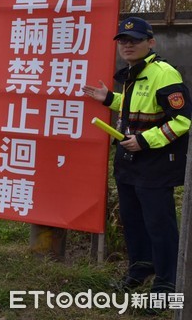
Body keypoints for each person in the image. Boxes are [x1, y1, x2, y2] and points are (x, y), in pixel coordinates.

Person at [83, 17, 191, 295]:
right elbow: (137, 107)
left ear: (151, 42)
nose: (128, 45)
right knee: (134, 221)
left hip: (155, 164)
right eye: (123, 41)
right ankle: (140, 270)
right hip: (129, 163)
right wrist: (109, 98)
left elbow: (182, 120)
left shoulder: (163, 73)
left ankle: (167, 283)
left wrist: (143, 140)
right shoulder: (134, 73)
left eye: (135, 40)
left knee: (159, 224)